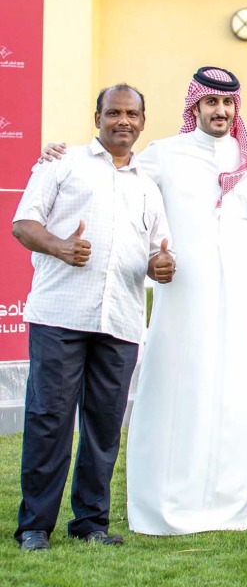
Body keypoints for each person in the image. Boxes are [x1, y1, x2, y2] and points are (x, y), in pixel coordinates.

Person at [124, 66, 247, 535]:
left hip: (244, 308)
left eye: (228, 104)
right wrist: (64, 157)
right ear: (195, 107)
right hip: (183, 304)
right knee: (178, 399)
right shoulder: (165, 155)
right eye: (211, 103)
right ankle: (163, 509)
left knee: (237, 406)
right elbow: (122, 190)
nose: (220, 112)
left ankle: (229, 509)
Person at [11, 85, 174, 551]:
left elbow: (157, 252)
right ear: (97, 116)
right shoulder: (62, 164)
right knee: (50, 420)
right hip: (60, 314)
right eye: (114, 112)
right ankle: (35, 526)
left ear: (143, 121)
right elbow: (24, 223)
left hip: (120, 322)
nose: (123, 121)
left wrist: (161, 266)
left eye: (132, 114)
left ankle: (91, 524)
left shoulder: (147, 186)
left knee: (103, 426)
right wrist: (60, 247)